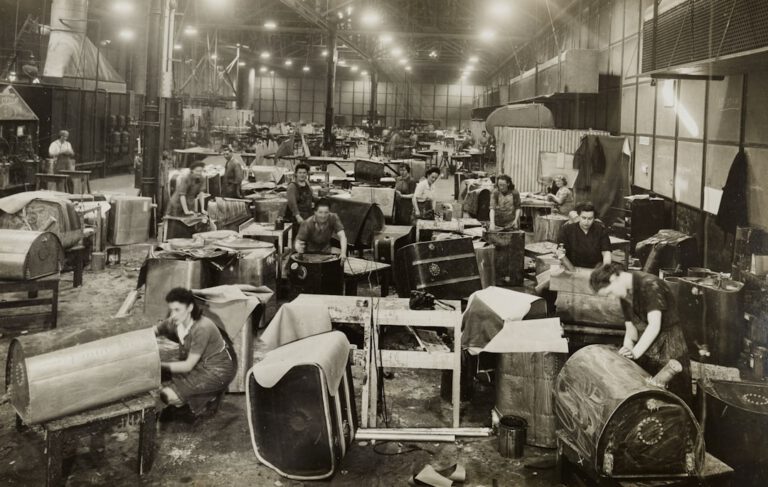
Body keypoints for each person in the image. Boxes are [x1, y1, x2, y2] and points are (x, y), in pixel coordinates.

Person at [590, 263, 692, 405]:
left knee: (671, 397)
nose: (612, 298)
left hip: (669, 345)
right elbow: (630, 330)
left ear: (614, 278)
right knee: (644, 395)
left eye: (609, 293)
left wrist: (635, 353)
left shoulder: (650, 285)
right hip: (647, 345)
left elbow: (654, 326)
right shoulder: (625, 292)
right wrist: (627, 349)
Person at [154, 287, 236, 416]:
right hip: (198, 365)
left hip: (216, 371)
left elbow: (187, 365)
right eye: (171, 310)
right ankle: (196, 396)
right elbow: (156, 330)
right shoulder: (176, 320)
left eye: (177, 310)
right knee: (159, 382)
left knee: (167, 395)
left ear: (190, 308)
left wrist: (157, 366)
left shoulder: (202, 327)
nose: (173, 315)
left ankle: (209, 397)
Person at [556, 202, 612, 270]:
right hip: (571, 269)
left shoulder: (600, 230)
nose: (586, 222)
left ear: (594, 218)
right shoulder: (567, 230)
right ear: (579, 216)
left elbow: (606, 253)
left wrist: (604, 271)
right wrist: (573, 271)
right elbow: (561, 254)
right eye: (584, 218)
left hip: (594, 270)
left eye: (590, 218)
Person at [165, 161, 208, 239]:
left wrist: (202, 208)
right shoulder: (186, 178)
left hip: (190, 202)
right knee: (176, 224)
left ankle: (186, 241)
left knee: (189, 223)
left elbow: (201, 194)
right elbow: (182, 195)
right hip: (177, 202)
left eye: (201, 171)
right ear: (192, 171)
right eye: (197, 171)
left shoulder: (202, 178)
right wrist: (186, 210)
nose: (199, 173)